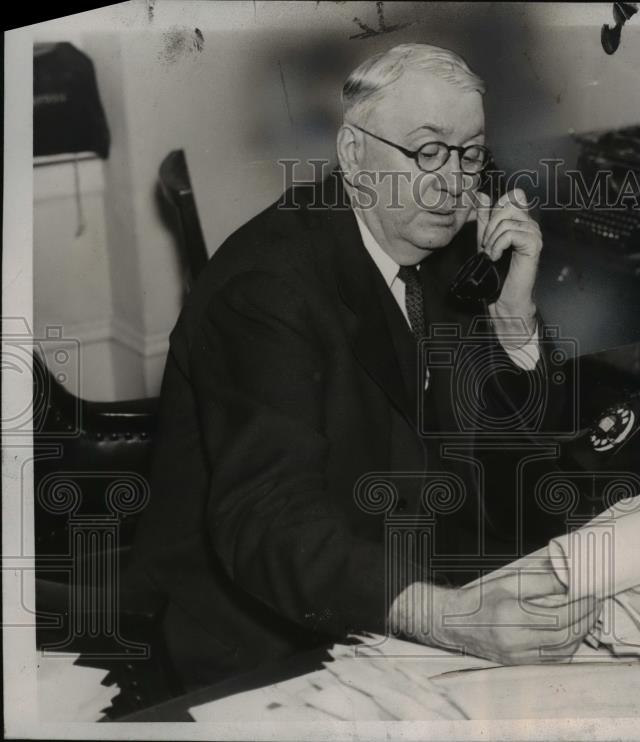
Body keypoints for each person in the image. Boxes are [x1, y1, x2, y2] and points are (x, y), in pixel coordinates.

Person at [129, 43, 597, 691]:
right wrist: (446, 616)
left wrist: (513, 320)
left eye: (469, 155)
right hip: (269, 635)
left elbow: (509, 457)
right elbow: (268, 520)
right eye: (426, 151)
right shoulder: (265, 290)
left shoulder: (440, 245)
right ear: (353, 154)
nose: (452, 183)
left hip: (411, 575)